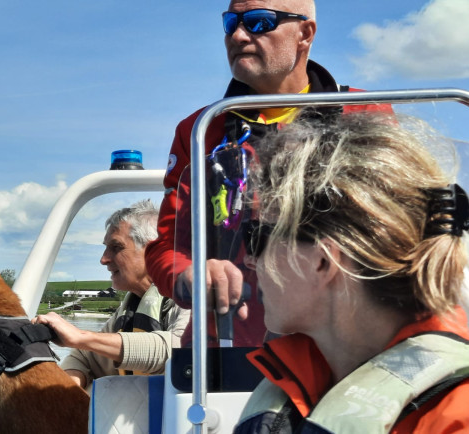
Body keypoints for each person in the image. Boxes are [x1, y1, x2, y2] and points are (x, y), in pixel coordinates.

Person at [144, 0, 391, 347]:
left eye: (260, 22)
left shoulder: (363, 113)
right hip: (226, 355)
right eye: (231, 23)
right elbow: (167, 248)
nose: (239, 35)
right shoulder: (199, 130)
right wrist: (190, 275)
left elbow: (395, 232)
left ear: (305, 33)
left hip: (344, 349)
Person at [233, 113, 469, 432]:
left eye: (257, 238)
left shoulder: (455, 417)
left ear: (324, 261)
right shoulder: (300, 380)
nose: (249, 261)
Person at [33, 200, 190, 389]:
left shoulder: (189, 296)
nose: (103, 259)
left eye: (116, 247)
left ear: (153, 252)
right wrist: (69, 388)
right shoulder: (130, 308)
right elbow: (83, 357)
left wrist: (81, 336)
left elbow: (179, 349)